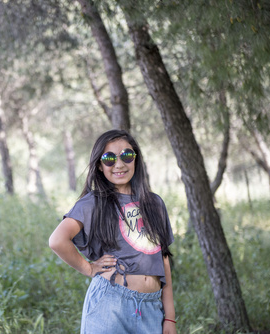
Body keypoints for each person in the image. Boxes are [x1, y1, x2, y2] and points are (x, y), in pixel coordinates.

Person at [49, 129, 177, 334]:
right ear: (99, 165)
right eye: (109, 158)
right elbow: (57, 240)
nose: (119, 164)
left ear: (136, 158)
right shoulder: (93, 203)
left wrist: (169, 317)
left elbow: (163, 260)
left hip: (151, 308)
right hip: (110, 304)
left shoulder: (154, 203)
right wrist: (89, 269)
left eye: (127, 155)